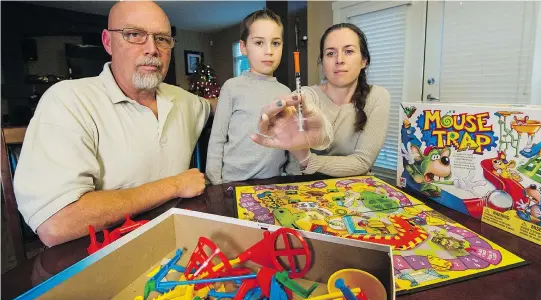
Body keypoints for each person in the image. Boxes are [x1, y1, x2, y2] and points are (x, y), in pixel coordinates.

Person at [13, 1, 211, 247]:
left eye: (162, 38)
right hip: (96, 258)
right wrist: (175, 184)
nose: (152, 49)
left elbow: (213, 105)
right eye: (134, 34)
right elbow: (57, 223)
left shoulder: (182, 100)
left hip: (177, 243)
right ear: (107, 42)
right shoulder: (67, 100)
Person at [206, 9, 331, 185]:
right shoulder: (231, 87)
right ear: (243, 47)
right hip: (232, 182)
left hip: (275, 183)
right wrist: (216, 181)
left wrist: (293, 176)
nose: (269, 51)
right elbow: (217, 138)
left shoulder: (286, 92)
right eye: (259, 43)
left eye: (276, 43)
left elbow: (292, 140)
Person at [286, 23, 390, 177]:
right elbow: (294, 167)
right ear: (322, 63)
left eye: (348, 51)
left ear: (364, 61)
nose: (339, 60)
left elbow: (362, 162)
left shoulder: (377, 96)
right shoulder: (305, 96)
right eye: (330, 53)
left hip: (353, 192)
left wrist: (308, 161)